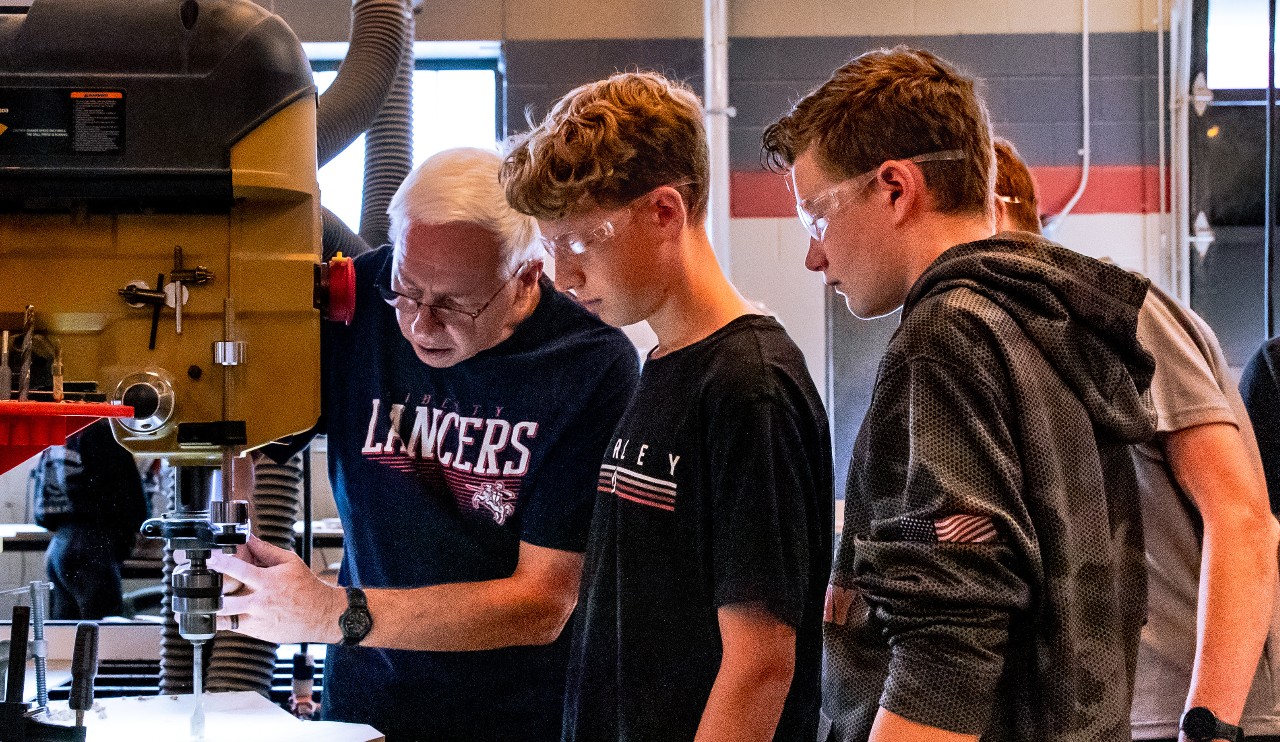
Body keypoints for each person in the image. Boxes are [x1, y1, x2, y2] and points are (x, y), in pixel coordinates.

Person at [763, 46, 1159, 741]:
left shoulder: (948, 335)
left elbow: (948, 645)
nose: (813, 255)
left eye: (815, 217)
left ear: (894, 188)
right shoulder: (1046, 321)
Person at [207, 147, 640, 741]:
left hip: (517, 719)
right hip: (365, 709)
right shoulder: (359, 299)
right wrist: (228, 534)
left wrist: (335, 612)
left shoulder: (590, 365)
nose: (420, 324)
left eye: (454, 304)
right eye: (407, 292)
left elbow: (544, 601)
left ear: (526, 278)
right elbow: (247, 438)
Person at [501, 71, 832, 741]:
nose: (563, 277)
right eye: (550, 246)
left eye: (578, 242)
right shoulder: (663, 365)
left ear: (663, 212)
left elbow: (760, 664)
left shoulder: (748, 386)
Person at [996, 136, 1280, 742]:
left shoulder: (1118, 317)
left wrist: (1207, 725)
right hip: (1095, 713)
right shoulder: (993, 349)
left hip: (1180, 713)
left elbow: (1245, 522)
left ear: (994, 208)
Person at [33, 418, 148, 619]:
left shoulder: (62, 432)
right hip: (92, 548)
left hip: (59, 548)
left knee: (65, 639)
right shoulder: (104, 431)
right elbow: (130, 497)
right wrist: (142, 527)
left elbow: (43, 507)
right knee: (104, 634)